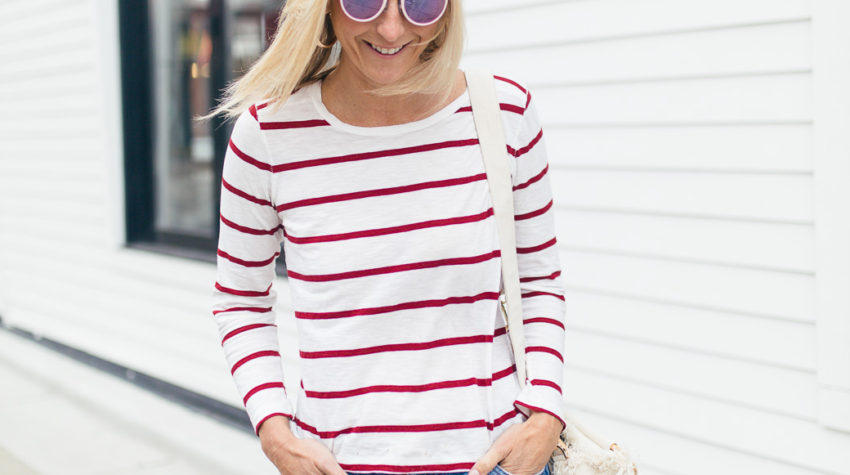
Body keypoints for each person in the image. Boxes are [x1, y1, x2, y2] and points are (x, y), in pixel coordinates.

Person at [206, 0, 566, 474]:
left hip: (496, 461)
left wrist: (545, 414)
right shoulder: (268, 135)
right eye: (364, 1)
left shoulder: (504, 112)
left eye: (419, 2)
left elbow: (540, 281)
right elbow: (241, 300)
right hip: (341, 465)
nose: (392, 28)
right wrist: (275, 434)